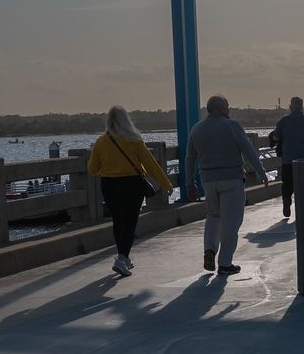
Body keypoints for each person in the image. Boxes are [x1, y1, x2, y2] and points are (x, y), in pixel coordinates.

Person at [186, 94, 270, 276]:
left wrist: (189, 184)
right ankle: (225, 263)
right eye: (228, 107)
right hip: (231, 179)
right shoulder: (232, 126)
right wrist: (262, 173)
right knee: (231, 222)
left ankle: (209, 249)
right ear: (221, 109)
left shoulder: (197, 129)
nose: (229, 110)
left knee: (214, 216)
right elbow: (248, 150)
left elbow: (189, 158)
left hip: (208, 181)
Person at [87, 105, 174, 277]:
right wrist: (166, 183)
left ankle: (124, 258)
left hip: (109, 184)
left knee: (118, 222)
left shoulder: (101, 141)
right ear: (126, 120)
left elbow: (92, 169)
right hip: (132, 184)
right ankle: (121, 259)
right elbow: (150, 165)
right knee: (129, 222)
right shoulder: (134, 140)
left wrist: (109, 169)